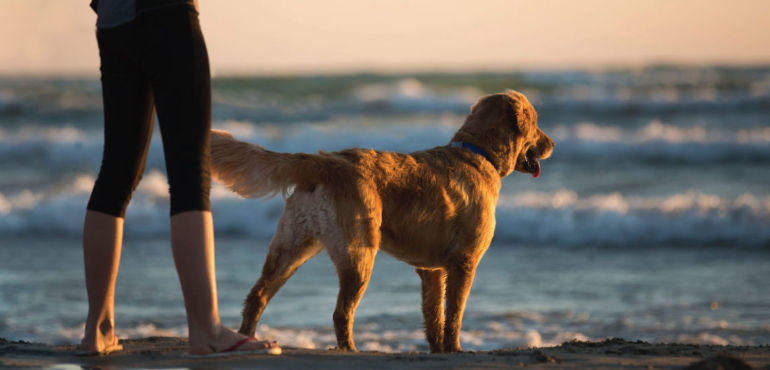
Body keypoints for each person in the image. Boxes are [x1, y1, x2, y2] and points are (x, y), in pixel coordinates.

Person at [79, 0, 280, 355]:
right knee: (189, 173)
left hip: (114, 20)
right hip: (168, 13)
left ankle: (98, 328)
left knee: (116, 174)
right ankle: (206, 330)